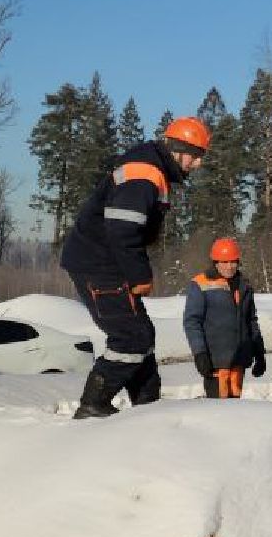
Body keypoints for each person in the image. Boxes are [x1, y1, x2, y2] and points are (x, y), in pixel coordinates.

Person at [60, 116, 210, 418]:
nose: (197, 164)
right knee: (130, 338)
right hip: (100, 264)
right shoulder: (145, 174)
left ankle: (148, 408)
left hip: (105, 261)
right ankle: (94, 405)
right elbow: (122, 230)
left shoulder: (151, 168)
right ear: (179, 149)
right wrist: (139, 274)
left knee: (143, 334)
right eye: (195, 156)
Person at [183, 237, 266, 399]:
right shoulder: (200, 284)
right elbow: (192, 322)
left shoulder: (244, 285)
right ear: (215, 262)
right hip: (215, 363)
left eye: (233, 262)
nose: (230, 266)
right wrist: (200, 353)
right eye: (225, 262)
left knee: (234, 411)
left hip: (239, 362)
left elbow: (251, 321)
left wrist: (259, 354)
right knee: (218, 414)